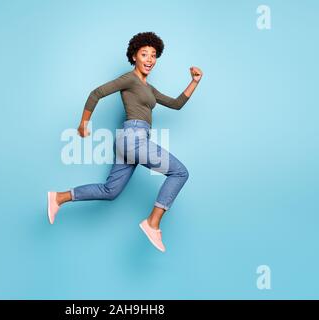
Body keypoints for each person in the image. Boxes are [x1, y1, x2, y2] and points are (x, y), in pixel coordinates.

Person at [47, 32, 203, 252]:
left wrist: (194, 82)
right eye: (144, 54)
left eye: (154, 55)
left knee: (110, 191)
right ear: (134, 56)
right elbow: (97, 93)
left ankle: (59, 197)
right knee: (180, 173)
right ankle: (152, 223)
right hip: (134, 138)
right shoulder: (129, 79)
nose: (149, 59)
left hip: (131, 141)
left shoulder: (149, 89)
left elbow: (176, 104)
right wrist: (84, 123)